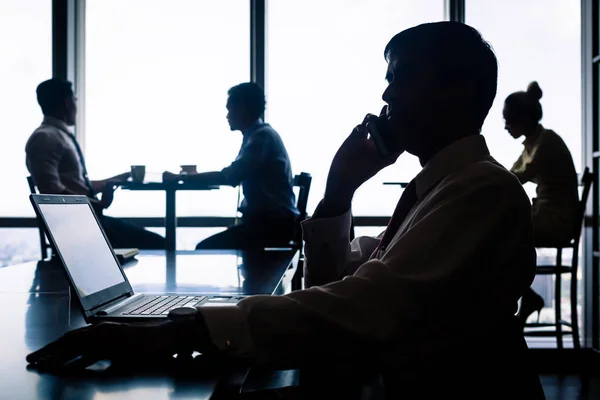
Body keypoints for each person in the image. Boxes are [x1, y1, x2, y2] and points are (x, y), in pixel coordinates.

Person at [27, 23, 545, 399]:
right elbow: (335, 283)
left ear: (462, 92)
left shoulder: (481, 192)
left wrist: (183, 330)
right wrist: (339, 189)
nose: (386, 94)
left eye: (403, 77)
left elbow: (364, 306)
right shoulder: (438, 189)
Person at [26, 78, 166, 250]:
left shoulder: (55, 135)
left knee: (156, 242)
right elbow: (51, 192)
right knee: (159, 244)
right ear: (67, 102)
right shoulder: (46, 138)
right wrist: (98, 204)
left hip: (86, 221)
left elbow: (74, 186)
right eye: (75, 100)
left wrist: (115, 180)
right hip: (80, 227)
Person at [164, 82, 300, 250]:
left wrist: (184, 177)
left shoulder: (261, 138)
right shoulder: (260, 135)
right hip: (272, 224)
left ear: (242, 108)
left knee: (205, 249)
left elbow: (230, 176)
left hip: (270, 227)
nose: (227, 115)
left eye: (230, 109)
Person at [504, 81, 580, 326]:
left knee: (496, 233)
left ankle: (524, 297)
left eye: (510, 120)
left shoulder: (544, 143)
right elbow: (509, 176)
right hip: (547, 215)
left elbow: (514, 178)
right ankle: (526, 297)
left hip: (556, 220)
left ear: (524, 118)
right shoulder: (535, 142)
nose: (506, 126)